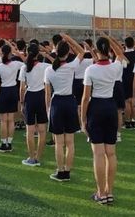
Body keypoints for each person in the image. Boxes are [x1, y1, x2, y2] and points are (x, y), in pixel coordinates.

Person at [81, 35, 124, 205]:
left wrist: (83, 119)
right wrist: (109, 38)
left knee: (98, 154)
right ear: (109, 50)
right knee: (111, 153)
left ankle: (101, 193)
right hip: (110, 108)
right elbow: (120, 54)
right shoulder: (114, 67)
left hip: (96, 108)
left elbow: (85, 98)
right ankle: (109, 191)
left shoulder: (91, 70)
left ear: (97, 51)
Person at [45, 34, 83, 182]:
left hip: (57, 104)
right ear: (67, 53)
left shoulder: (49, 70)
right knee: (70, 142)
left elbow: (47, 93)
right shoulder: (71, 66)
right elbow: (81, 51)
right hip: (69, 103)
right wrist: (69, 38)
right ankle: (66, 171)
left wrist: (48, 109)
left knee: (59, 143)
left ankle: (60, 170)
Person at [19, 43, 49, 166]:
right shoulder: (45, 66)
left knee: (30, 130)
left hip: (30, 97)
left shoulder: (24, 67)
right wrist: (44, 53)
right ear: (38, 53)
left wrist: (21, 103)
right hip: (41, 96)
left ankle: (32, 157)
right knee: (42, 130)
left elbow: (21, 88)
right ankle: (38, 157)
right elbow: (56, 62)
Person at [0, 42, 23, 152]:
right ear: (10, 53)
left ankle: (4, 143)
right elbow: (26, 62)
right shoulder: (16, 64)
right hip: (13, 91)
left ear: (1, 53)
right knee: (10, 120)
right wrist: (17, 53)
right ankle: (9, 143)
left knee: (4, 120)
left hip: (4, 91)